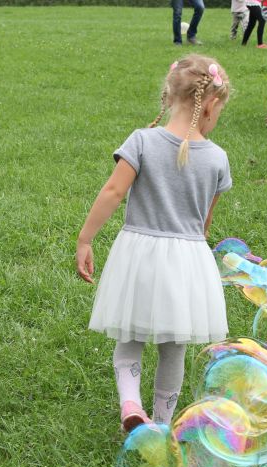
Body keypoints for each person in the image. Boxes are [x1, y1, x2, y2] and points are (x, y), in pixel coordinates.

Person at [76, 55, 231, 432]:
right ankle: (161, 424)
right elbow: (205, 223)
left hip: (139, 255)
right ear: (210, 104)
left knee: (129, 336)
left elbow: (113, 192)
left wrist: (85, 238)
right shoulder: (217, 158)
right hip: (187, 260)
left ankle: (130, 403)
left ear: (169, 95)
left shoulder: (142, 141)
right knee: (173, 348)